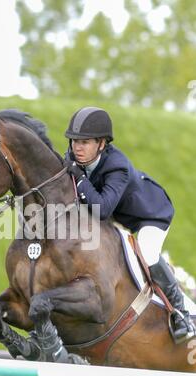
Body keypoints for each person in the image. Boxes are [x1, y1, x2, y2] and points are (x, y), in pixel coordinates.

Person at [64, 106, 196, 344]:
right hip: (120, 216)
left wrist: (80, 178)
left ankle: (182, 314)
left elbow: (101, 209)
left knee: (147, 253)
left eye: (85, 142)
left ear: (102, 143)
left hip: (151, 214)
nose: (77, 148)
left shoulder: (118, 166)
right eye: (74, 141)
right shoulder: (73, 159)